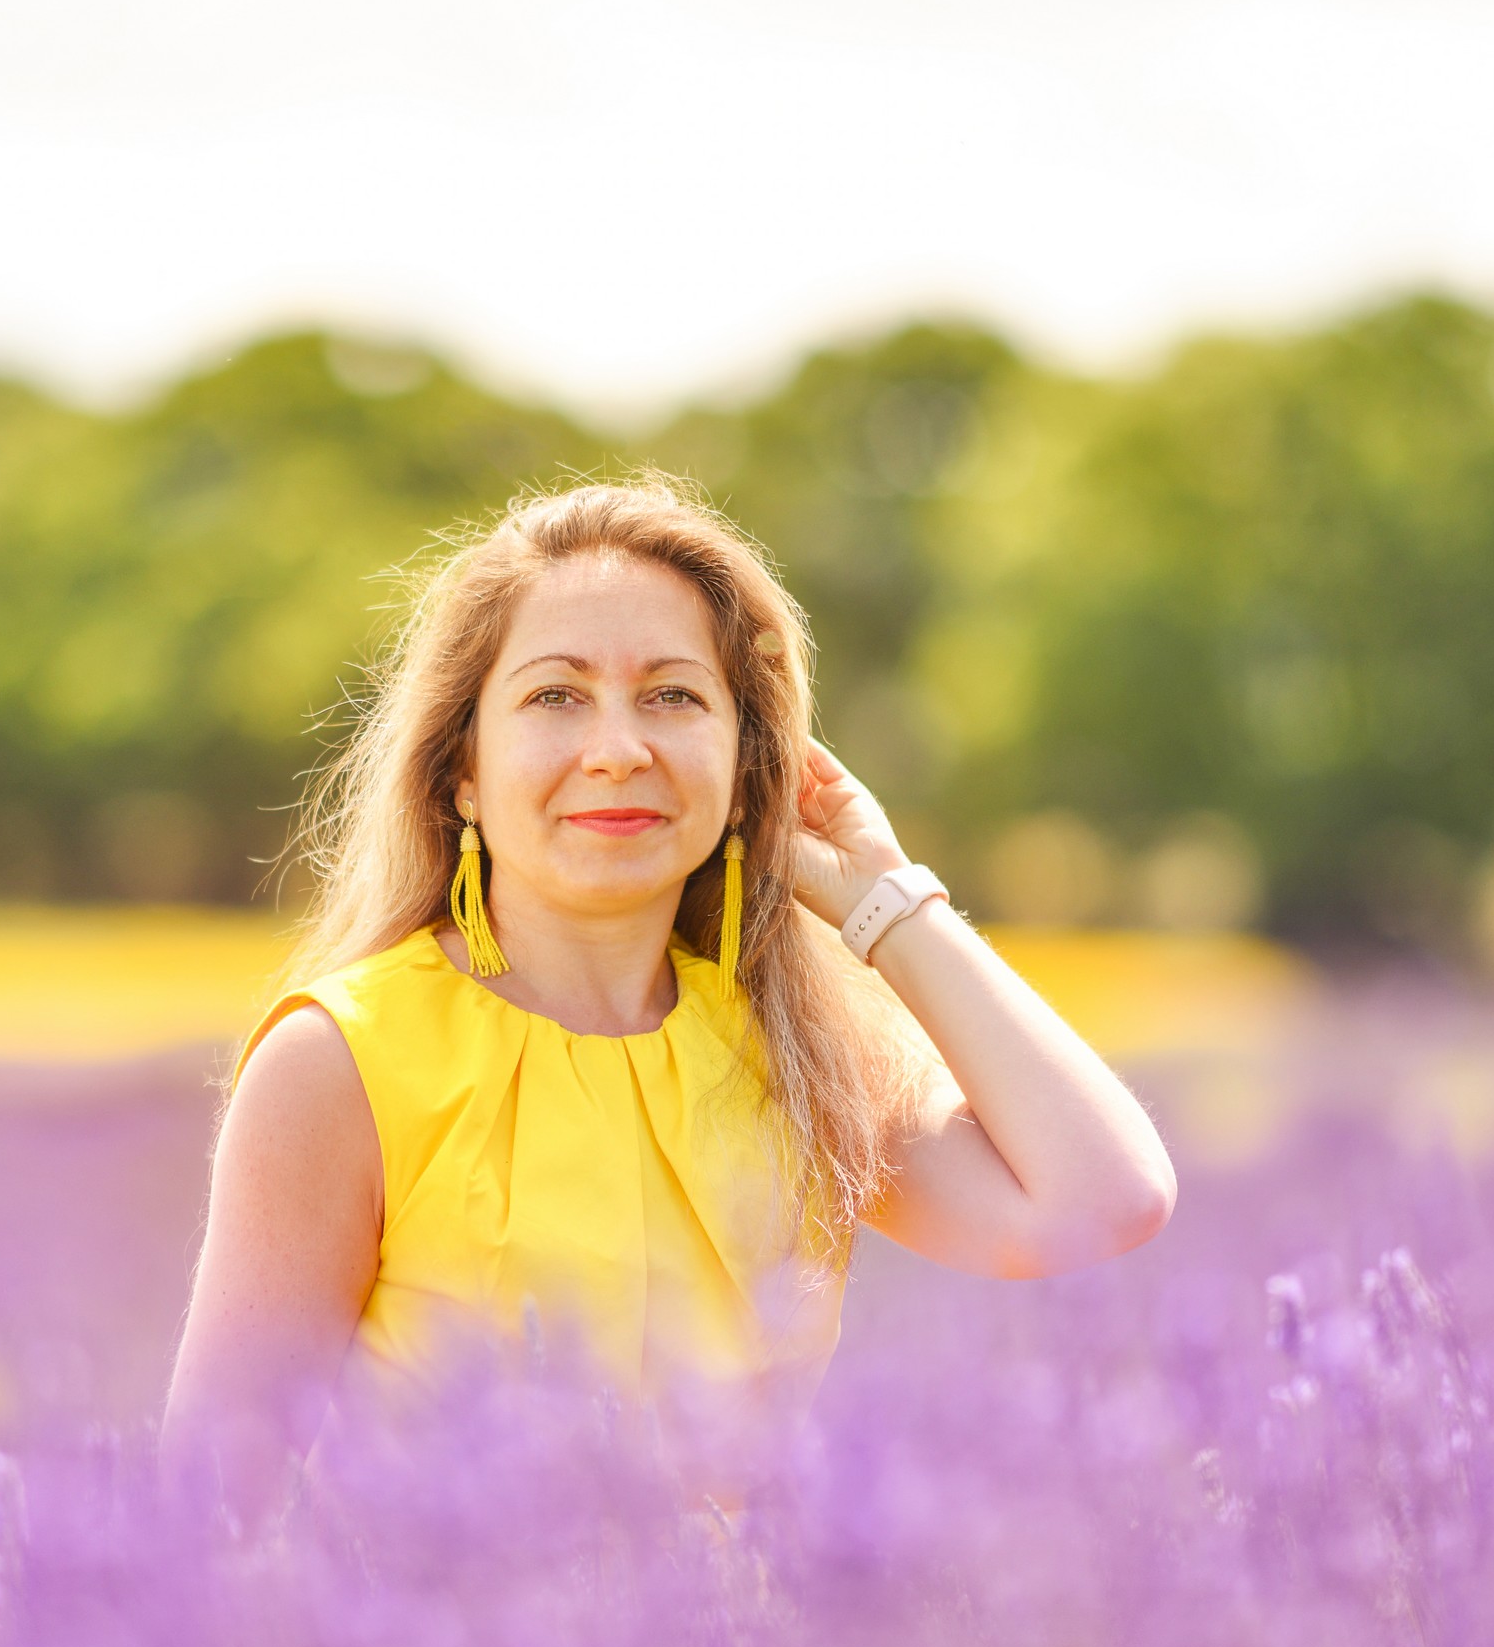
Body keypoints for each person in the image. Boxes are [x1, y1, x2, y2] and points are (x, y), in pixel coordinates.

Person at [160, 478, 1174, 1514]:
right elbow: (206, 1510)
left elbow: (1101, 1199)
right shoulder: (344, 1062)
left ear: (744, 770)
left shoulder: (796, 1054)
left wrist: (885, 901)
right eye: (555, 695)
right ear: (464, 767)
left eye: (673, 696)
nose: (617, 748)